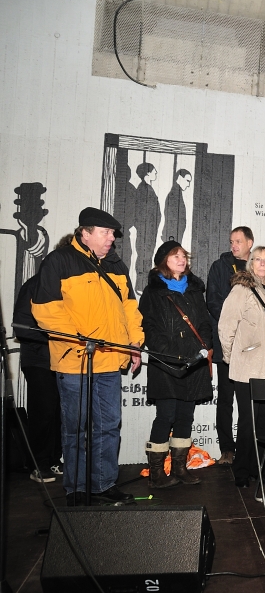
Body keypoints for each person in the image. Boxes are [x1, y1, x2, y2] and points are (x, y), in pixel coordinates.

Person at [32, 207, 143, 506]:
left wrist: (134, 342)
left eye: (113, 234)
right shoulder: (59, 261)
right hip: (75, 361)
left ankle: (104, 484)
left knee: (108, 427)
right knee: (76, 430)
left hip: (111, 360)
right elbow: (46, 311)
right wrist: (79, 338)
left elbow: (130, 308)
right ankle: (77, 488)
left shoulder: (116, 265)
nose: (111, 239)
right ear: (85, 233)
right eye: (105, 233)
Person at [139, 241, 213, 488]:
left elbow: (204, 322)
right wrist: (171, 354)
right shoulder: (153, 292)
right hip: (167, 363)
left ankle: (180, 468)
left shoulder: (194, 290)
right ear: (163, 261)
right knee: (166, 416)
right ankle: (157, 472)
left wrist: (203, 346)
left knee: (185, 416)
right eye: (175, 256)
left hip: (194, 361)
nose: (182, 260)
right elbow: (149, 328)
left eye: (183, 256)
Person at [218, 246, 265, 488]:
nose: (262, 264)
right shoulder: (241, 289)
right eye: (258, 259)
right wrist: (231, 357)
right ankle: (241, 472)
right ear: (251, 263)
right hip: (247, 366)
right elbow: (226, 326)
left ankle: (259, 470)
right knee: (248, 422)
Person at [13, 235, 69, 483]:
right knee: (43, 412)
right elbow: (22, 327)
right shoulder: (35, 284)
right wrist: (57, 339)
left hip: (64, 361)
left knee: (59, 413)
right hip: (38, 359)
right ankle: (38, 464)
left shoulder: (72, 289)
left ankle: (54, 460)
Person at [207, 226, 254, 466]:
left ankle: (249, 448)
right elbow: (213, 301)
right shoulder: (220, 266)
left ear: (249, 243)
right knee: (225, 399)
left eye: (238, 241)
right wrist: (233, 325)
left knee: (249, 401)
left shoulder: (257, 266)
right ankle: (227, 449)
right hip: (227, 343)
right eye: (231, 241)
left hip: (251, 347)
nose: (234, 245)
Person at [133, 163, 160, 292]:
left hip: (149, 231)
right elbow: (140, 213)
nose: (156, 173)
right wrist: (144, 228)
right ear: (147, 173)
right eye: (154, 171)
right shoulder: (143, 189)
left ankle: (143, 285)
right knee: (144, 257)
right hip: (145, 232)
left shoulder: (148, 188)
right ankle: (140, 286)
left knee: (147, 257)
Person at [162, 169, 191, 243]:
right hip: (173, 235)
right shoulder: (174, 194)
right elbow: (171, 217)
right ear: (180, 178)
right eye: (187, 181)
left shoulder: (177, 193)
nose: (188, 185)